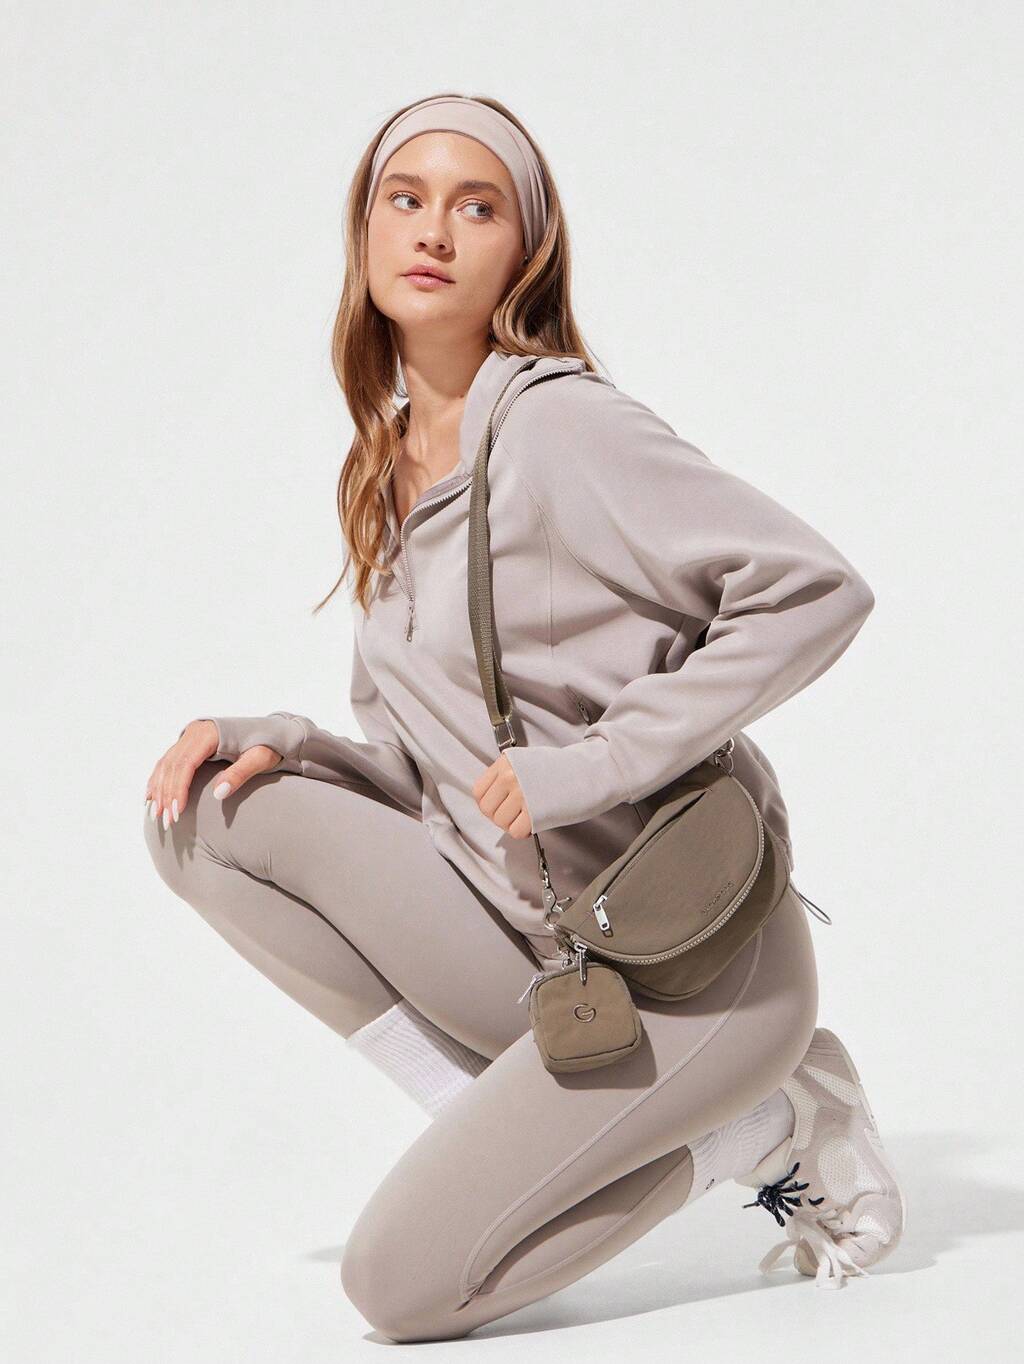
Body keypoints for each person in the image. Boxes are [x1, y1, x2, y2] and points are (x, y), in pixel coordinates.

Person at [142, 92, 906, 1342]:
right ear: (365, 232)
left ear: (524, 252)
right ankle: (508, 1127)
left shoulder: (558, 423)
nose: (433, 230)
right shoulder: (389, 465)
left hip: (692, 967)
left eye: (477, 205)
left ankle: (757, 1125)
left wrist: (597, 761)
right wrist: (289, 737)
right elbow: (432, 768)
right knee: (208, 812)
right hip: (547, 943)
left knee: (398, 1285)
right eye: (405, 199)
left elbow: (815, 588)